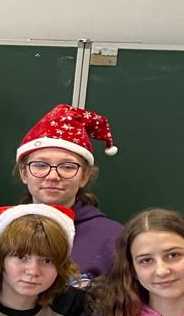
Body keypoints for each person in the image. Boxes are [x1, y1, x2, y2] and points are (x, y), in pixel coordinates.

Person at [12, 104, 123, 284]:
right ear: (24, 173)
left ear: (84, 176)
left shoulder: (113, 237)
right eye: (40, 165)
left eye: (67, 167)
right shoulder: (2, 230)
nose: (53, 176)